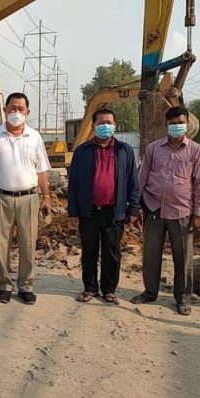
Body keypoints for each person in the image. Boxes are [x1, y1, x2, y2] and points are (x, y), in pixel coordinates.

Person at [131, 106, 200, 315]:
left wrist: (198, 213)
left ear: (187, 123)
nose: (177, 127)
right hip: (153, 208)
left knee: (183, 258)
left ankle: (183, 298)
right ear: (166, 124)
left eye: (180, 123)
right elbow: (141, 178)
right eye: (173, 124)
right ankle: (149, 292)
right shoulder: (153, 149)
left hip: (182, 211)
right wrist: (135, 207)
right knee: (150, 254)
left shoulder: (196, 151)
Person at [67, 108, 139, 305]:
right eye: (101, 123)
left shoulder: (125, 151)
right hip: (88, 211)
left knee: (112, 252)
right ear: (94, 126)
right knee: (89, 251)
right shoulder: (82, 151)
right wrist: (73, 210)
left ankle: (109, 290)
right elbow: (73, 183)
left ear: (115, 125)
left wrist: (133, 208)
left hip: (114, 212)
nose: (105, 126)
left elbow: (133, 181)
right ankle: (90, 288)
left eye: (109, 122)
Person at [0, 92, 51, 305]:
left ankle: (26, 285)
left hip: (29, 198)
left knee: (28, 243)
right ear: (4, 110)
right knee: (1, 244)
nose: (16, 112)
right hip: (1, 197)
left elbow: (41, 170)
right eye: (12, 108)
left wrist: (46, 196)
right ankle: (4, 285)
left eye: (20, 109)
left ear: (28, 112)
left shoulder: (34, 137)